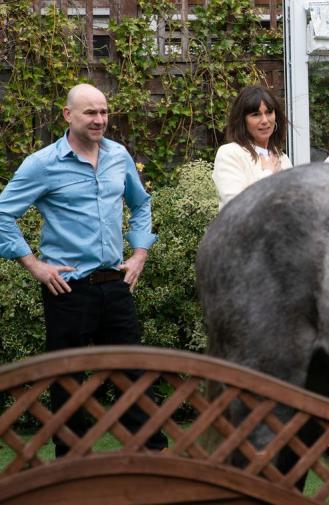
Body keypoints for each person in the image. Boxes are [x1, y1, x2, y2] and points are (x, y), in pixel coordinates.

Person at [0, 83, 166, 456]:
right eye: (90, 112)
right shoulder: (42, 164)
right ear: (68, 115)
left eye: (104, 112)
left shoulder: (118, 155)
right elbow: (2, 214)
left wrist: (139, 253)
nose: (100, 120)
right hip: (68, 289)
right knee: (68, 381)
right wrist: (34, 265)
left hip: (115, 283)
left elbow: (141, 205)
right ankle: (70, 470)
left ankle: (153, 461)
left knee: (135, 375)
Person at [213, 85, 292, 209]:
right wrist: (268, 173)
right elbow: (236, 205)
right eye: (256, 115)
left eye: (269, 112)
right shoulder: (229, 154)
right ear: (242, 121)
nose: (265, 120)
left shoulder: (281, 157)